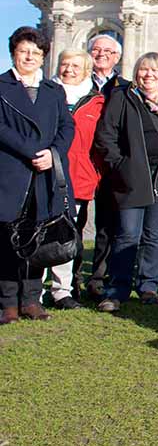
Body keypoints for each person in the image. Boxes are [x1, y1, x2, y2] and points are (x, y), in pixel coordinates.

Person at [94, 53, 158, 311]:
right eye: (143, 70)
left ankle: (148, 285)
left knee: (153, 236)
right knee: (128, 235)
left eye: (154, 71)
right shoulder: (123, 98)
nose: (148, 75)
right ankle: (117, 288)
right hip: (131, 178)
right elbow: (106, 136)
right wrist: (121, 165)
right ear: (136, 73)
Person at [0, 27, 75, 324]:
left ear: (44, 57)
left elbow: (67, 127)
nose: (29, 57)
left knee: (37, 238)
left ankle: (31, 299)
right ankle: (7, 302)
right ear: (13, 53)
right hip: (12, 171)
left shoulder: (53, 91)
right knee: (6, 239)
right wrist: (32, 151)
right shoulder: (2, 86)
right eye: (23, 51)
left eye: (36, 52)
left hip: (45, 174)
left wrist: (53, 152)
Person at [47, 49, 104, 310]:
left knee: (68, 234)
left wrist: (94, 173)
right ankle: (33, 291)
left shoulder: (97, 102)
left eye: (75, 66)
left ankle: (62, 290)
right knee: (36, 232)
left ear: (87, 70)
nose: (69, 69)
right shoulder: (44, 92)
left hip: (78, 176)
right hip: (43, 173)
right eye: (64, 64)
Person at [85, 34, 130, 299]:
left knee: (107, 224)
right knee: (72, 223)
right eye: (96, 49)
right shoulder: (77, 82)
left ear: (117, 57)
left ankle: (98, 277)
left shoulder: (124, 87)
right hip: (80, 161)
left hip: (110, 164)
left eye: (107, 51)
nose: (101, 54)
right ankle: (66, 280)